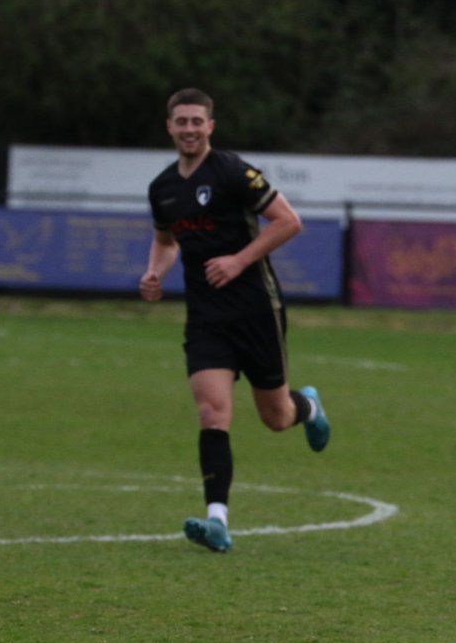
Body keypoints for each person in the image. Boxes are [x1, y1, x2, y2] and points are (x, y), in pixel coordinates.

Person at [139, 87, 330, 553]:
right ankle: (217, 521)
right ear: (169, 127)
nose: (188, 129)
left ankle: (307, 407)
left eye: (196, 121)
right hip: (205, 316)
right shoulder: (162, 189)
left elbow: (288, 221)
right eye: (180, 121)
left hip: (255, 308)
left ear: (210, 126)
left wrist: (238, 261)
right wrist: (153, 272)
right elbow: (166, 242)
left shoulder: (232, 171)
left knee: (275, 417)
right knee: (212, 413)